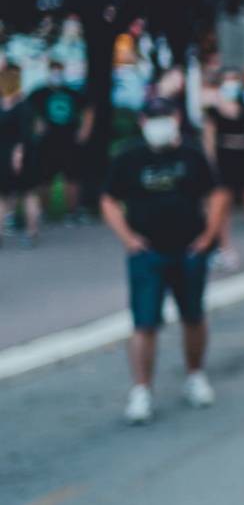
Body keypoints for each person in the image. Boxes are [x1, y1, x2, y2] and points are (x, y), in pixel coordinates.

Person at [100, 99, 226, 424]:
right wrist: (128, 239)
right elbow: (109, 200)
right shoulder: (130, 157)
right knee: (144, 323)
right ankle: (141, 390)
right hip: (148, 252)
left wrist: (209, 236)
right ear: (143, 121)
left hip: (188, 249)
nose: (160, 123)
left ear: (177, 118)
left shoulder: (192, 155)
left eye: (165, 117)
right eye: (153, 117)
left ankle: (195, 375)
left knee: (194, 316)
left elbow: (216, 194)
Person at [202, 69, 244, 270]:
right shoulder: (213, 111)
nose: (231, 84)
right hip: (224, 160)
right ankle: (223, 249)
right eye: (227, 80)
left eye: (234, 80)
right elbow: (209, 139)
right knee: (221, 207)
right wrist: (212, 165)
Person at [30, 59, 93, 224]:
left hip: (69, 142)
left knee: (72, 178)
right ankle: (43, 212)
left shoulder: (71, 92)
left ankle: (72, 213)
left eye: (59, 70)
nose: (56, 74)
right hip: (46, 143)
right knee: (44, 179)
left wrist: (84, 131)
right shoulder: (39, 93)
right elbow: (26, 110)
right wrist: (36, 124)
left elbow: (89, 109)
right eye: (53, 70)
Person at [0, 65, 42, 246]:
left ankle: (30, 232)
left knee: (12, 196)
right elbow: (29, 132)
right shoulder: (24, 105)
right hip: (15, 154)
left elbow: (24, 135)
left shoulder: (11, 106)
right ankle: (31, 233)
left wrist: (18, 154)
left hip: (15, 154)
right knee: (26, 194)